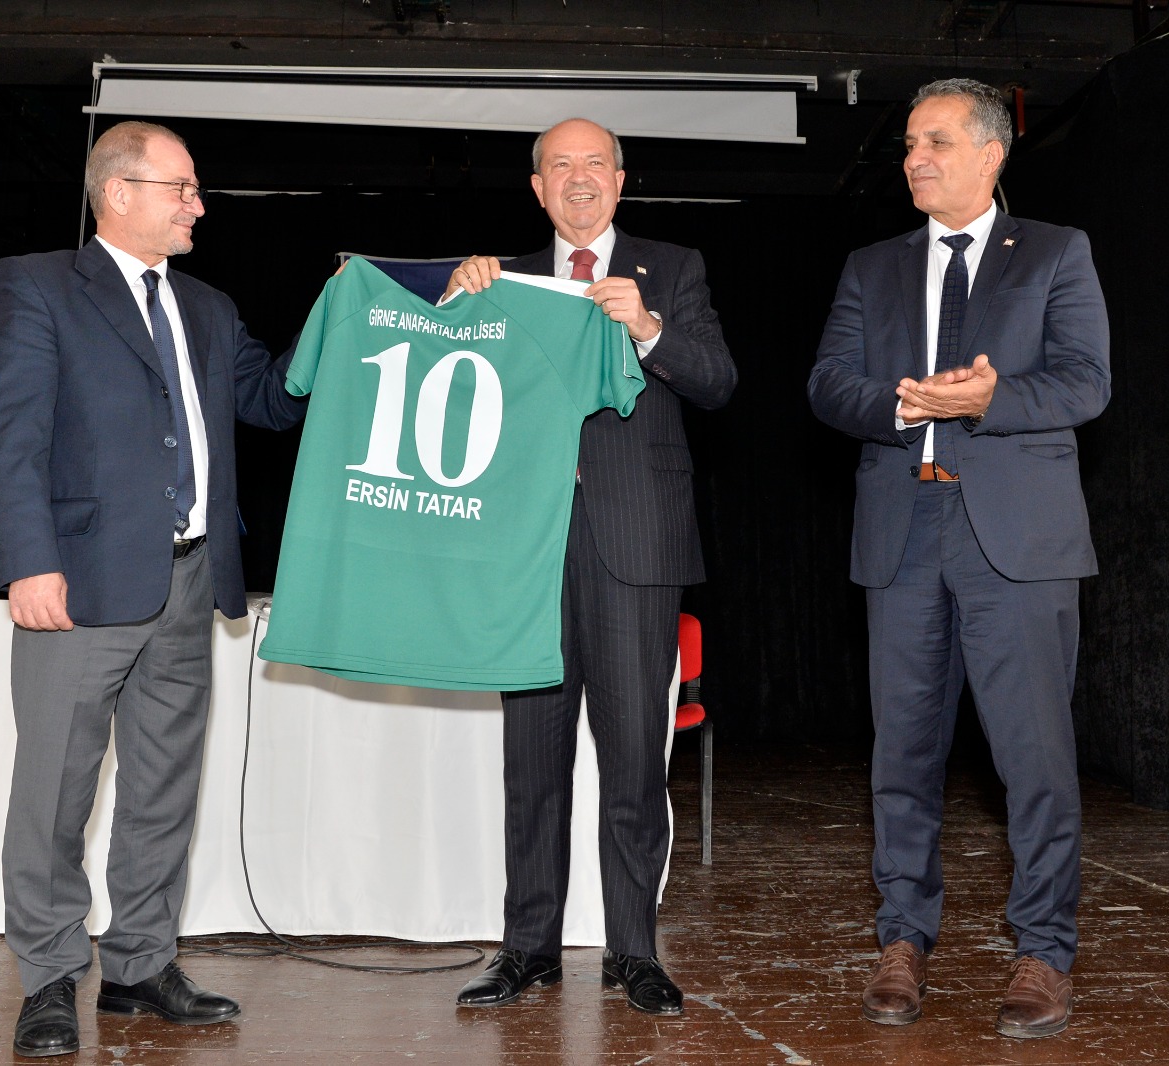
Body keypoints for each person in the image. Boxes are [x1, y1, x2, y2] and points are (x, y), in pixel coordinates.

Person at [0, 120, 306, 1058]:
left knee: (163, 788)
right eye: (182, 188)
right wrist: (28, 562)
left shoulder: (208, 306)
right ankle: (48, 976)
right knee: (54, 790)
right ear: (119, 193)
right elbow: (8, 435)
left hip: (190, 578)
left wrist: (345, 316)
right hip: (78, 580)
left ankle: (139, 966)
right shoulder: (37, 285)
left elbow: (273, 399)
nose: (198, 206)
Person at [808, 79, 1110, 1039]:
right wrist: (901, 405)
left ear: (990, 154)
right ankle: (902, 940)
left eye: (935, 141)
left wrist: (988, 399)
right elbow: (828, 383)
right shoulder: (872, 266)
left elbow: (1086, 382)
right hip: (903, 535)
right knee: (902, 754)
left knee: (1034, 758)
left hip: (1016, 541)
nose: (914, 159)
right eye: (908, 144)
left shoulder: (1055, 252)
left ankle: (1044, 951)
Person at [445, 117, 737, 1016]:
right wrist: (451, 306)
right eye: (560, 166)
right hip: (525, 546)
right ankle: (528, 948)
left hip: (635, 541)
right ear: (537, 188)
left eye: (594, 163)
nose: (579, 178)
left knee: (634, 763)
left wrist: (647, 328)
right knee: (531, 761)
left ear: (620, 177)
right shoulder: (500, 278)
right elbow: (449, 384)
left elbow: (718, 381)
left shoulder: (672, 269)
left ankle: (633, 952)